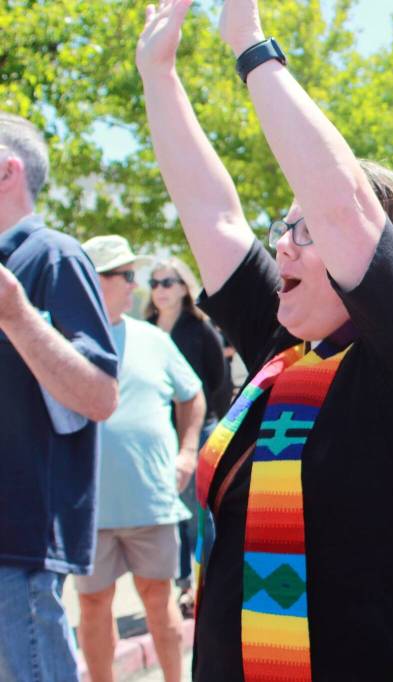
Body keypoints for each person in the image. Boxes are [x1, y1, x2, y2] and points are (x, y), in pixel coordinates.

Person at [136, 1, 393, 679]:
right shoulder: (283, 349)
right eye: (283, 228)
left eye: (304, 231)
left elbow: (343, 205)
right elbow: (214, 213)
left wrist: (248, 42)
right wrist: (158, 73)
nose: (282, 248)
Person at [0, 112, 119, 682]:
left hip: (20, 546)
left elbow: (100, 395)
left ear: (6, 169)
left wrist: (18, 316)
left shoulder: (53, 257)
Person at [77, 235, 205, 682]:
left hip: (151, 502)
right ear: (93, 281)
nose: (137, 287)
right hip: (86, 507)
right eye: (127, 276)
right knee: (93, 604)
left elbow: (193, 396)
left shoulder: (153, 340)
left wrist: (187, 453)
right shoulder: (60, 339)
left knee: (158, 599)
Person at [145, 256, 225, 612]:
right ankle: (180, 582)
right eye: (154, 283)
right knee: (167, 512)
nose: (160, 290)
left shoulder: (200, 328)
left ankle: (204, 581)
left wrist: (210, 424)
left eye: (167, 282)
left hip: (198, 430)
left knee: (197, 513)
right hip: (158, 434)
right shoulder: (143, 328)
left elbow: (219, 382)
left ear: (182, 286)